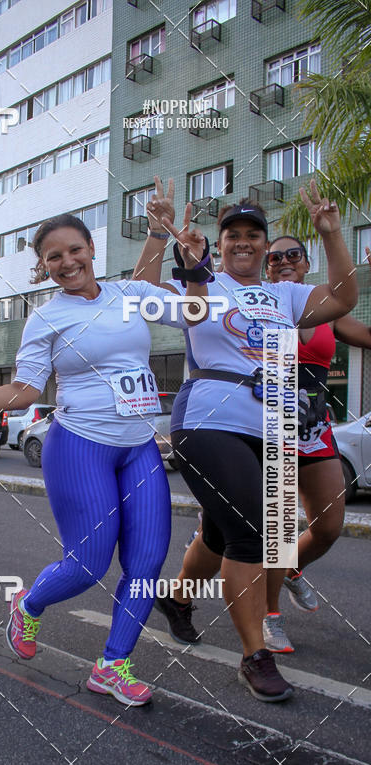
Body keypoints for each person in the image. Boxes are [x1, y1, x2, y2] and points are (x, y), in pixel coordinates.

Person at [0, 209, 209, 706]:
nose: (67, 262)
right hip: (79, 445)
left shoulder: (129, 294)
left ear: (92, 249)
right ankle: (28, 605)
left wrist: (194, 264)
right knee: (88, 565)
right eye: (54, 257)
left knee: (146, 563)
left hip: (138, 447)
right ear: (44, 266)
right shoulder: (47, 317)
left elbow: (194, 312)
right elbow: (25, 391)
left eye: (75, 250)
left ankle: (113, 666)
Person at [134, 179, 358, 701]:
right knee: (255, 533)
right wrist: (158, 234)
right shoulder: (202, 283)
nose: (243, 242)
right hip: (209, 418)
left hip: (274, 427)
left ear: (264, 244)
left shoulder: (286, 295)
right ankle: (255, 656)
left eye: (253, 235)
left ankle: (177, 599)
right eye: (232, 234)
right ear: (219, 243)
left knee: (223, 534)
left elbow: (345, 296)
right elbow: (139, 298)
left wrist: (331, 232)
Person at [161, 236, 371, 655]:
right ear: (265, 265)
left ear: (307, 263)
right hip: (261, 418)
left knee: (325, 525)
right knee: (264, 529)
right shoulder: (258, 303)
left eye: (294, 254)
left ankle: (278, 572)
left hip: (310, 423)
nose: (283, 261)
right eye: (275, 257)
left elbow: (361, 325)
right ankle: (265, 619)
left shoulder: (318, 308)